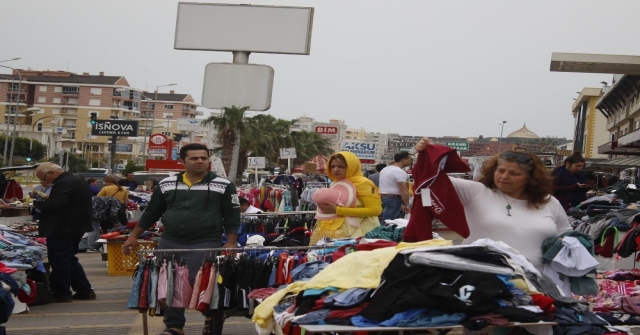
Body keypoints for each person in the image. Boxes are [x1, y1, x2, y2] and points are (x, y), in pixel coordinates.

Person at [122, 143, 240, 335]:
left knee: (202, 280)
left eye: (203, 157)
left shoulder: (224, 184)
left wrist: (231, 241)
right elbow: (152, 212)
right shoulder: (167, 183)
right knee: (169, 281)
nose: (200, 161)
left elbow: (232, 215)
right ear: (182, 161)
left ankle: (210, 320)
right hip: (170, 240)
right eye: (194, 158)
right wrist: (133, 236)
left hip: (206, 240)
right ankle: (174, 326)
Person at [413, 138, 571, 271]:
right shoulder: (476, 192)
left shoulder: (549, 201)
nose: (504, 177)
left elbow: (566, 234)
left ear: (531, 178)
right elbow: (431, 181)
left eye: (514, 173)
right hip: (482, 281)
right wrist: (425, 154)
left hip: (538, 284)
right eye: (500, 170)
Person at [33, 162, 95, 303]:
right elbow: (69, 202)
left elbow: (57, 205)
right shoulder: (77, 180)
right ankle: (84, 290)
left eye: (43, 178)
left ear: (52, 173)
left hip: (62, 227)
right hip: (76, 226)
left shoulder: (63, 183)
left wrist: (38, 203)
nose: (44, 182)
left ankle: (62, 293)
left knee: (60, 260)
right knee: (69, 258)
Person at [308, 151, 382, 245]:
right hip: (333, 230)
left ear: (352, 166)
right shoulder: (336, 182)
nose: (336, 169)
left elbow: (375, 210)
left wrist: (338, 210)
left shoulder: (363, 183)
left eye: (341, 166)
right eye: (333, 166)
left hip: (357, 231)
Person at [378, 151, 413, 221]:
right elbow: (403, 190)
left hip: (384, 197)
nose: (411, 161)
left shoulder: (385, 169)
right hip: (394, 199)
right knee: (388, 223)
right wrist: (407, 205)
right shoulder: (400, 172)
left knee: (395, 221)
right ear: (404, 160)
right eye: (410, 159)